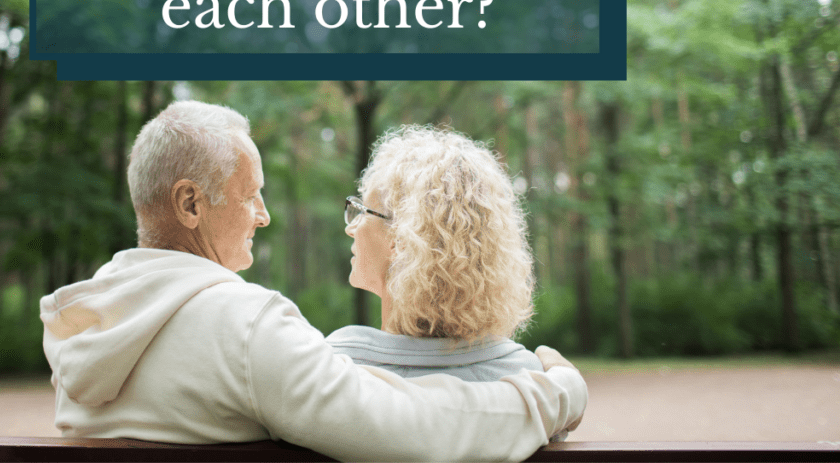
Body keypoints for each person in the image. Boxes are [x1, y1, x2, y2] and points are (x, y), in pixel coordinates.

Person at [40, 101, 586, 462]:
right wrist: (557, 391)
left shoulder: (85, 326)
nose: (264, 214)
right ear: (190, 204)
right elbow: (410, 428)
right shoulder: (244, 326)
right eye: (250, 193)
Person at [326, 126, 575, 439]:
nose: (353, 228)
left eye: (362, 211)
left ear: (401, 238)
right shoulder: (529, 383)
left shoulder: (336, 368)